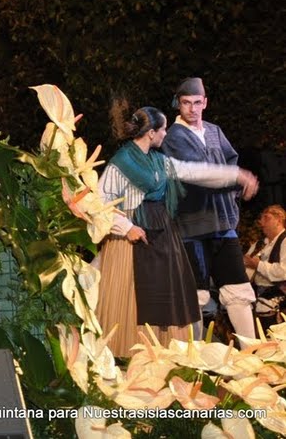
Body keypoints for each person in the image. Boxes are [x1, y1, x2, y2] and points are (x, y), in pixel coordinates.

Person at [95, 105, 257, 357]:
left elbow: (195, 172)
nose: (166, 134)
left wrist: (236, 174)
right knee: (132, 297)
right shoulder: (121, 163)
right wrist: (126, 227)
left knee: (168, 294)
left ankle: (165, 356)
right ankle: (131, 356)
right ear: (151, 133)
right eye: (164, 129)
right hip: (131, 237)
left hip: (161, 233)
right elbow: (101, 201)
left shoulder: (159, 161)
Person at [161, 77, 257, 340]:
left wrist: (237, 189)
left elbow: (231, 160)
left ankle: (252, 353)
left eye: (197, 102)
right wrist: (236, 177)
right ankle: (194, 360)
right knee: (197, 296)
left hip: (223, 225)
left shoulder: (215, 131)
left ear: (205, 103)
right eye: (186, 103)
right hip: (192, 227)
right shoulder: (173, 137)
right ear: (178, 105)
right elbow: (200, 174)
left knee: (238, 289)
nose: (192, 109)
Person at [243, 205, 286, 334]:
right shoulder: (259, 244)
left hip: (279, 300)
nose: (261, 223)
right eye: (261, 219)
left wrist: (258, 265)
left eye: (266, 218)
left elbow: (284, 271)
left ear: (279, 219)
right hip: (256, 299)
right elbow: (246, 269)